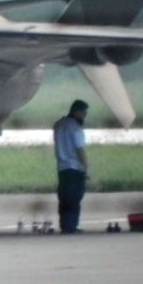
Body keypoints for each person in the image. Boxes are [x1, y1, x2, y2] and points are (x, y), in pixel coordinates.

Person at [53, 99, 89, 234]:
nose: (85, 116)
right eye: (84, 113)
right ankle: (72, 226)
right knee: (74, 198)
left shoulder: (59, 125)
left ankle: (64, 225)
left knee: (64, 197)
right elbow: (80, 149)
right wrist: (86, 167)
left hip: (62, 167)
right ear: (77, 112)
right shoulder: (75, 127)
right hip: (75, 167)